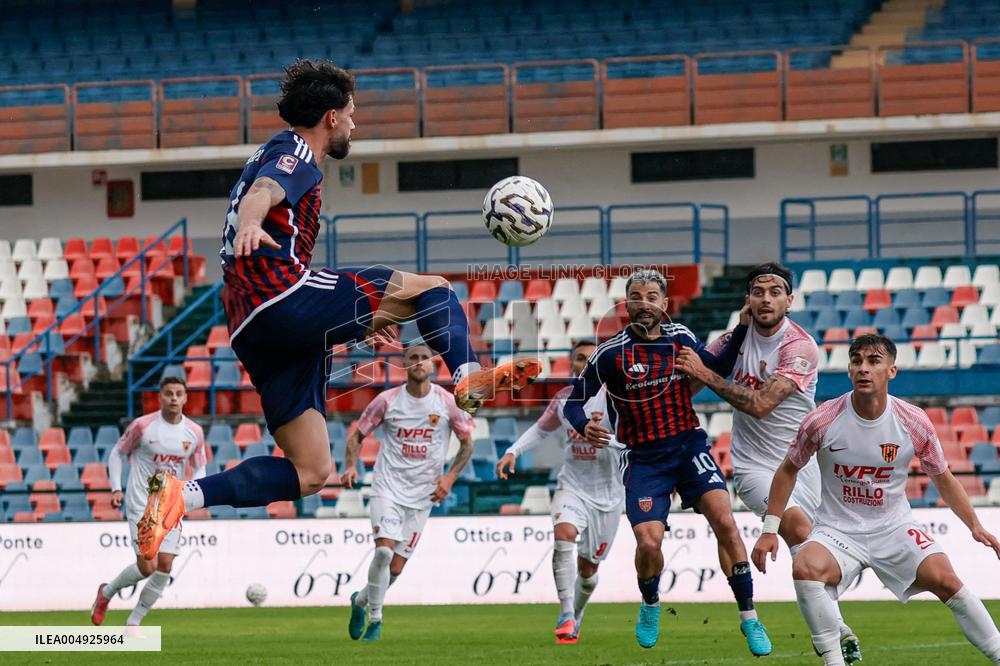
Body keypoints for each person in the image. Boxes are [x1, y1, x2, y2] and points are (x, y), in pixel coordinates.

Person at [135, 59, 540, 561]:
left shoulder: (276, 151)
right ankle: (469, 374)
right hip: (280, 296)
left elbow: (263, 192)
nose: (354, 122)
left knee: (311, 471)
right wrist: (250, 223)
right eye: (351, 113)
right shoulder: (296, 151)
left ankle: (182, 495)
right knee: (433, 288)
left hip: (251, 324)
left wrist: (354, 321)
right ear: (330, 117)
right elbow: (263, 194)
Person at [752, 333, 1000, 666]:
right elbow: (787, 471)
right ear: (849, 369)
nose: (863, 369)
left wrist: (975, 526)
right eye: (856, 361)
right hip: (838, 530)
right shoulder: (822, 419)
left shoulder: (912, 421)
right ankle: (834, 660)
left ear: (892, 371)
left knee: (947, 580)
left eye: (873, 361)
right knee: (805, 566)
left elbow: (942, 477)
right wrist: (770, 529)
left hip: (893, 528)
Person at [563, 269, 772, 655]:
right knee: (648, 541)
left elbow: (716, 368)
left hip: (689, 448)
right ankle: (651, 603)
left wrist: (740, 329)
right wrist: (582, 426)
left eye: (652, 296)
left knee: (726, 522)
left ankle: (750, 617)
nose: (644, 303)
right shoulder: (610, 353)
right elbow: (574, 400)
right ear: (627, 305)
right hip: (643, 459)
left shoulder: (683, 339)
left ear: (664, 304)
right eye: (636, 296)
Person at [676, 262, 861, 663]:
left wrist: (706, 375)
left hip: (804, 461)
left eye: (775, 292)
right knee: (797, 529)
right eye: (758, 291)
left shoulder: (799, 346)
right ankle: (834, 643)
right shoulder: (731, 340)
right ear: (748, 300)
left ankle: (833, 624)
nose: (766, 298)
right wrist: (712, 359)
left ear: (789, 300)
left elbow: (761, 405)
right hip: (755, 467)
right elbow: (686, 388)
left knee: (813, 552)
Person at [343, 342, 475, 642]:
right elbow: (356, 436)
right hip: (387, 487)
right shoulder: (387, 401)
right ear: (404, 365)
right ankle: (376, 619)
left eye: (424, 358)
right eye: (412, 358)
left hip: (423, 496)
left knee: (396, 568)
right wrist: (350, 465)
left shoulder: (447, 402)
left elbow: (468, 443)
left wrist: (449, 478)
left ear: (433, 365)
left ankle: (360, 601)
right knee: (383, 550)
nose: (418, 362)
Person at [496, 339, 624, 645]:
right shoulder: (566, 398)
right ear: (572, 364)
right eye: (578, 358)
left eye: (588, 359)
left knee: (589, 570)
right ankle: (566, 612)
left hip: (609, 495)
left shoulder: (619, 399)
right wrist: (513, 451)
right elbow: (542, 428)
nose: (583, 364)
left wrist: (606, 441)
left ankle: (576, 615)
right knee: (563, 534)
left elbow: (632, 443)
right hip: (572, 486)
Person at [90, 376, 207, 627]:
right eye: (168, 393)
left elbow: (200, 469)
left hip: (171, 503)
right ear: (160, 397)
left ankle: (133, 623)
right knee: (147, 567)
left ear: (186, 398)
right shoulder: (143, 427)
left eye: (178, 394)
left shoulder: (194, 432)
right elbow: (116, 454)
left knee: (164, 565)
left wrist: (191, 494)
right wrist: (115, 489)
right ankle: (107, 592)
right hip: (142, 502)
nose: (174, 398)